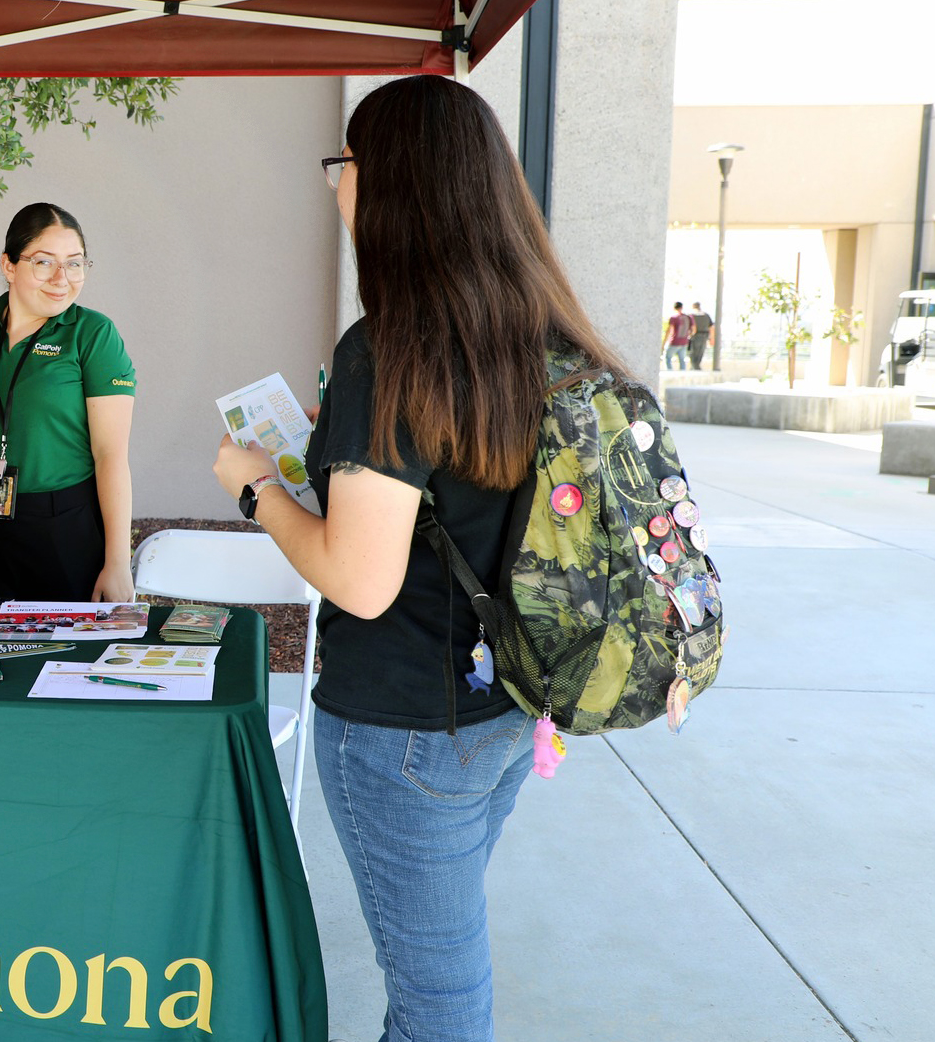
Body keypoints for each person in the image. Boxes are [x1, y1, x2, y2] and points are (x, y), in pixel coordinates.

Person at [212, 75, 627, 1042]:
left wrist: (256, 487)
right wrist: (353, 454)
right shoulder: (534, 333)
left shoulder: (388, 349)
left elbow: (359, 579)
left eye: (342, 164)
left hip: (401, 734)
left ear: (392, 183)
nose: (336, 185)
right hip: (506, 715)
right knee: (440, 972)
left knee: (440, 1007)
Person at [0, 202, 136, 601]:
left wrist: (117, 561)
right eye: (44, 262)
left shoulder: (92, 334)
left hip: (58, 523)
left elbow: (111, 456)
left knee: (59, 654)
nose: (62, 278)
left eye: (75, 263)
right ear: (9, 266)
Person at [662, 300, 694, 370]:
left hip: (674, 341)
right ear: (682, 307)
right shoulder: (688, 317)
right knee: (682, 360)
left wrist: (664, 342)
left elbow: (669, 330)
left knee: (668, 357)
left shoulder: (674, 318)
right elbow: (693, 329)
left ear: (674, 308)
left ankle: (669, 371)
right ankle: (683, 374)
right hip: (684, 341)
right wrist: (688, 336)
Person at [688, 300, 715, 369]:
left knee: (693, 354)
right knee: (700, 353)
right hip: (704, 336)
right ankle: (696, 368)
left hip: (695, 336)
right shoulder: (706, 315)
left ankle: (695, 368)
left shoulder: (691, 315)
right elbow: (711, 327)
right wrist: (711, 338)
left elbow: (691, 327)